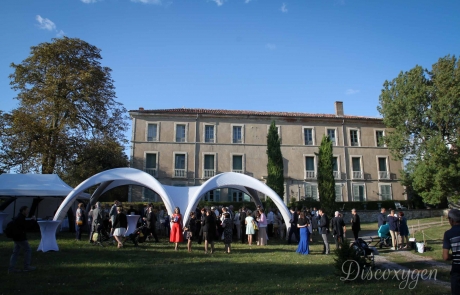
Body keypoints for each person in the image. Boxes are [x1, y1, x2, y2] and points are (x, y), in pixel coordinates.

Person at [8, 206, 37, 273]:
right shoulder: (20, 218)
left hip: (17, 237)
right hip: (20, 237)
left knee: (15, 252)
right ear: (23, 211)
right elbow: (25, 226)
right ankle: (26, 266)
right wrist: (32, 220)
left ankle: (11, 268)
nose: (28, 212)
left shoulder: (19, 217)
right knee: (28, 249)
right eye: (27, 210)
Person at [443, 209, 460, 295]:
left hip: (457, 268)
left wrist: (454, 256)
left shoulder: (448, 234)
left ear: (452, 220)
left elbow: (445, 257)